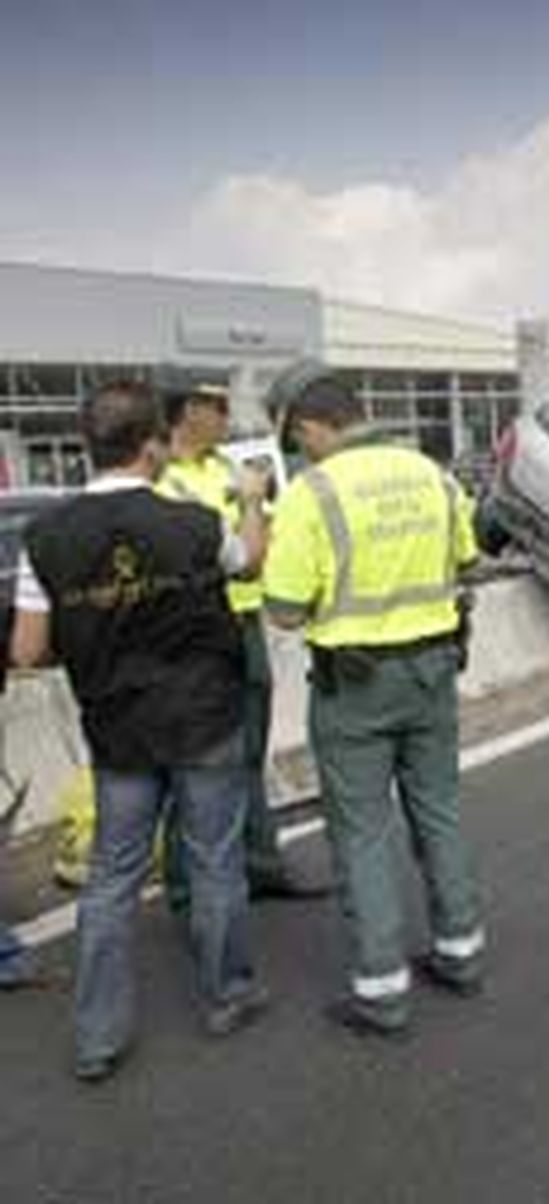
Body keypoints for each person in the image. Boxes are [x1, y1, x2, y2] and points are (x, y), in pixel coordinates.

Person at [10, 380, 271, 1082]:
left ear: (88, 446)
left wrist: (94, 636)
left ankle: (96, 1037)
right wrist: (250, 499)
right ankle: (229, 995)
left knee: (111, 878)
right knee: (215, 861)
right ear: (154, 444)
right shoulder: (189, 523)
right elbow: (250, 561)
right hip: (205, 719)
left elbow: (28, 651)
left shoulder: (46, 538)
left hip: (119, 732)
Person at [262, 363, 484, 1037]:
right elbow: (467, 563)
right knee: (439, 812)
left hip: (353, 690)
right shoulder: (433, 475)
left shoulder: (310, 493)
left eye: (297, 442)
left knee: (361, 835)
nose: (300, 453)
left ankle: (382, 993)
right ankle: (460, 954)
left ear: (308, 427)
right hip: (433, 674)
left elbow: (283, 610)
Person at [156, 370, 327, 903]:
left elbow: (266, 537)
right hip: (193, 635)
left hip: (245, 625)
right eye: (218, 407)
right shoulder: (159, 479)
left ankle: (261, 864)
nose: (228, 417)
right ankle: (185, 884)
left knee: (251, 753)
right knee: (193, 760)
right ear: (189, 411)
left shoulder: (231, 467)